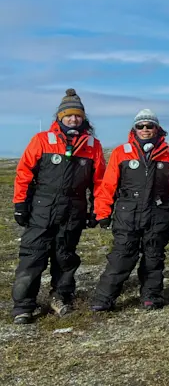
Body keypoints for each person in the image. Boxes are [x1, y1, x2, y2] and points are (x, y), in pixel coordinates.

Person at [10, 89, 106, 324]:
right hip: (43, 206)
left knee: (65, 256)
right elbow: (24, 173)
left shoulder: (92, 145)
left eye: (78, 116)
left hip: (74, 208)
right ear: (60, 117)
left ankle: (61, 297)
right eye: (69, 116)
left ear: (84, 119)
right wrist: (20, 203)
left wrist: (98, 209)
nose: (74, 120)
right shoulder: (42, 139)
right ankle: (23, 305)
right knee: (33, 256)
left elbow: (100, 182)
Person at [90, 109, 169, 312]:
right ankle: (104, 298)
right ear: (134, 129)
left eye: (150, 126)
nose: (145, 129)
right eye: (141, 126)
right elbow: (108, 185)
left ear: (157, 129)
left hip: (158, 214)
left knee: (154, 257)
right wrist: (103, 212)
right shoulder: (122, 152)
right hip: (128, 215)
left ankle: (151, 296)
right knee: (121, 257)